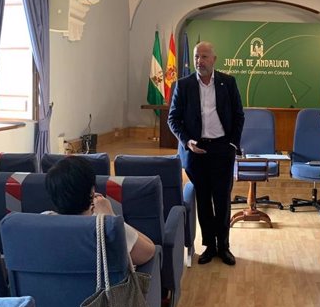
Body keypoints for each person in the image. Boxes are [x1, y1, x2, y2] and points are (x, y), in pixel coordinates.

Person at [168, 41, 245, 266]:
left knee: (222, 200)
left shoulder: (227, 83)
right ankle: (209, 246)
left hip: (222, 148)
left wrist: (233, 143)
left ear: (214, 59)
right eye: (196, 57)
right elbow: (173, 119)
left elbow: (239, 115)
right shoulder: (183, 85)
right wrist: (187, 141)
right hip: (196, 150)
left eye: (204, 56)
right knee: (203, 199)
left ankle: (224, 246)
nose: (199, 61)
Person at [45, 155, 156, 266]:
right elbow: (149, 250)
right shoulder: (108, 227)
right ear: (92, 191)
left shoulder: (39, 223)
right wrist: (110, 216)